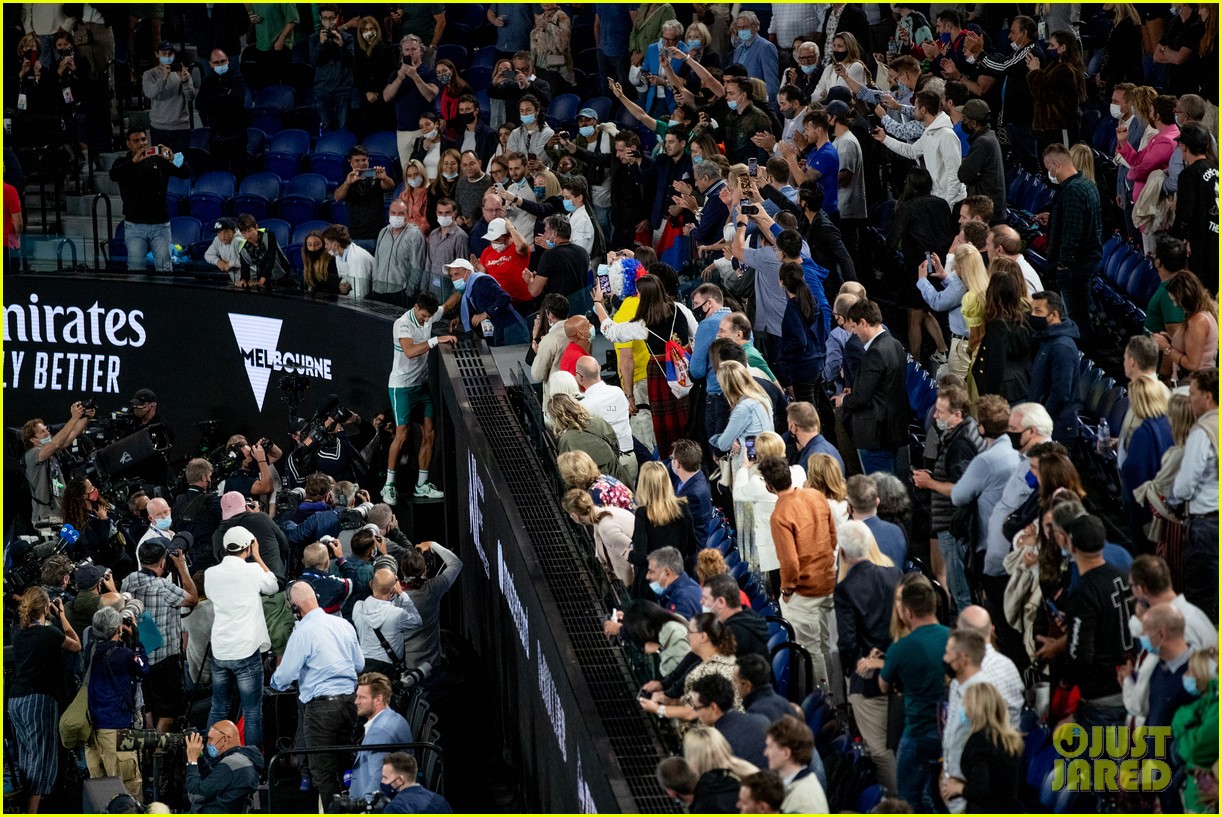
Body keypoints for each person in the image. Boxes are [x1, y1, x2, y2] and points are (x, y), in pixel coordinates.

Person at [271, 581, 364, 803]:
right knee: (346, 763)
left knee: (323, 771)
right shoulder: (343, 624)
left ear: (294, 607)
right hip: (350, 703)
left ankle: (333, 811)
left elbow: (284, 677)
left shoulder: (302, 633)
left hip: (321, 710)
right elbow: (359, 664)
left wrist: (274, 681)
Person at [834, 520, 902, 795]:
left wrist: (851, 670)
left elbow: (847, 641)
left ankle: (898, 805)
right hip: (898, 672)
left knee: (879, 750)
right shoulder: (894, 573)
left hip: (868, 678)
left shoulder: (846, 588)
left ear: (842, 552)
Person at [762, 456, 836, 687]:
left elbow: (790, 563)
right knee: (828, 643)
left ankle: (825, 700)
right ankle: (837, 695)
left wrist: (786, 590)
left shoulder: (779, 515)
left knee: (811, 649)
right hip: (828, 581)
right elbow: (833, 537)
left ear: (768, 486)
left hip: (804, 592)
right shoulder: (815, 496)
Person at [879, 577, 950, 810]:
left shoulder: (900, 648)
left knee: (909, 801)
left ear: (908, 612)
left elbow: (883, 685)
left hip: (916, 734)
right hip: (949, 734)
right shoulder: (954, 639)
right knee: (943, 800)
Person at [205, 526, 278, 749]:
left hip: (221, 649)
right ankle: (251, 761)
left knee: (218, 707)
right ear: (248, 547)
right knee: (252, 712)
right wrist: (258, 557)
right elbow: (273, 586)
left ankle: (211, 756)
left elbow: (212, 596)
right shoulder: (253, 570)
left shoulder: (210, 573)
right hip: (246, 649)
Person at [913, 385, 983, 615]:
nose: (935, 415)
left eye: (940, 411)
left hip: (954, 526)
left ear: (957, 414)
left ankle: (965, 630)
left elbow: (961, 489)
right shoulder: (963, 433)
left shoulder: (961, 444)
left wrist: (930, 483)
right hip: (956, 523)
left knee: (960, 592)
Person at [10, 588, 80, 813]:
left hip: (15, 700)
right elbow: (76, 644)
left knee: (27, 756)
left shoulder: (17, 634)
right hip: (38, 701)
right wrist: (62, 615)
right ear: (46, 607)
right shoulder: (48, 633)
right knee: (42, 760)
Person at [382, 294, 455, 505]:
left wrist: (467, 282)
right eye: (423, 316)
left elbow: (448, 305)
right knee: (402, 434)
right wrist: (436, 340)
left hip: (421, 387)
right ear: (416, 307)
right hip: (401, 387)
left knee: (430, 432)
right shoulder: (402, 324)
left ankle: (422, 485)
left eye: (428, 317)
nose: (426, 320)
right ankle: (388, 485)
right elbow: (410, 351)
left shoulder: (429, 315)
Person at [121, 537, 198, 733]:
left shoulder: (128, 580)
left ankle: (147, 743)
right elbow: (192, 599)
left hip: (138, 657)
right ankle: (158, 749)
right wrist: (181, 567)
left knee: (148, 707)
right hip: (163, 661)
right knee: (168, 713)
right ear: (163, 562)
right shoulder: (162, 586)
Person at [832, 299, 908, 474]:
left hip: (875, 435)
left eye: (854, 327)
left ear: (863, 322)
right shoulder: (895, 344)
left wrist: (843, 400)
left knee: (878, 488)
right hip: (893, 430)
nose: (854, 333)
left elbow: (861, 398)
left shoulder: (874, 352)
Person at [1167, 368, 1219, 620]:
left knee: (1202, 600)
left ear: (1208, 396)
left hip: (1207, 527)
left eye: (1193, 393)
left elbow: (1184, 486)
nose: (1190, 399)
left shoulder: (1202, 432)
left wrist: (1171, 499)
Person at [85, 606, 150, 801]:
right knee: (127, 789)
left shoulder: (90, 649)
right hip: (115, 730)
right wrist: (136, 641)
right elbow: (143, 668)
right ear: (117, 629)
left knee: (101, 794)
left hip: (92, 730)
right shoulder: (123, 655)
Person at [109, 126, 191, 272]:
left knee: (165, 269)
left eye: (143, 139)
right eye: (136, 141)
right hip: (135, 226)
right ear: (128, 144)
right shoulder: (122, 162)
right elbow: (113, 175)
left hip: (160, 225)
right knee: (136, 269)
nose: (141, 143)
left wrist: (174, 159)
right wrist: (134, 162)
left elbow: (186, 173)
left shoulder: (159, 160)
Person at [1042, 142, 1102, 331]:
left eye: (1048, 169)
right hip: (1084, 262)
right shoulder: (1087, 185)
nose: (1049, 173)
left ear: (1056, 165)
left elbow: (1072, 233)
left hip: (1075, 268)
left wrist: (1063, 264)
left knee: (1077, 319)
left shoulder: (1072, 191)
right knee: (1080, 316)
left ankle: (1083, 349)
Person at [939, 683, 1024, 811]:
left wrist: (959, 788)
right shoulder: (1010, 738)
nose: (964, 710)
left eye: (966, 705)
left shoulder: (979, 741)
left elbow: (982, 791)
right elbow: (998, 784)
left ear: (975, 709)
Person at [22, 402, 92, 526]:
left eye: (46, 429)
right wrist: (74, 417)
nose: (47, 433)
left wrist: (86, 417)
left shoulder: (50, 452)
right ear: (33, 439)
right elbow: (55, 444)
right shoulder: (32, 455)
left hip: (59, 515)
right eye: (42, 432)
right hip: (45, 518)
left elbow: (74, 433)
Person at [401, 540, 463, 672]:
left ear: (402, 570)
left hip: (405, 667)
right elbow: (456, 563)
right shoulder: (433, 589)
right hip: (433, 666)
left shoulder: (394, 597)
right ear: (425, 569)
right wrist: (432, 544)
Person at [1027, 291, 1082, 442]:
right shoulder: (1047, 339)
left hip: (1057, 429)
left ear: (1054, 315)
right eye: (1032, 310)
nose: (1033, 315)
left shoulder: (1062, 347)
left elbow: (1061, 393)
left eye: (1038, 311)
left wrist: (1041, 420)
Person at [350, 673, 413, 800]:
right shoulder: (395, 718)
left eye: (362, 697)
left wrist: (367, 807)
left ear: (378, 699)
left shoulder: (380, 733)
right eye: (357, 696)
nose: (356, 702)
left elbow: (378, 783)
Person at [971, 273, 1032, 404]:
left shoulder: (998, 326)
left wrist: (988, 398)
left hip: (1004, 394)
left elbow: (995, 366)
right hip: (1022, 388)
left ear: (992, 294)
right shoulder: (1023, 320)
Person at [383, 34, 439, 175]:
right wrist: (400, 78)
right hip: (402, 131)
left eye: (414, 49)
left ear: (421, 51)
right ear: (402, 52)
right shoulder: (396, 74)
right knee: (408, 173)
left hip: (424, 131)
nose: (410, 53)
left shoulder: (429, 72)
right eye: (407, 50)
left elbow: (430, 95)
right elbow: (386, 97)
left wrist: (415, 76)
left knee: (429, 171)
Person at [1173, 124, 1219, 291]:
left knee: (1202, 294)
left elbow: (1186, 213)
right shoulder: (1216, 169)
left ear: (1184, 146)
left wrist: (1177, 238)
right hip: (1216, 240)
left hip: (1202, 247)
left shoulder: (1189, 174)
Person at [183, 720, 264, 813]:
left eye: (210, 739)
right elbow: (215, 780)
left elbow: (195, 796)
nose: (208, 743)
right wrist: (200, 757)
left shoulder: (231, 764)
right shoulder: (244, 758)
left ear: (224, 739)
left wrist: (192, 761)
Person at [1155, 271, 1219, 381]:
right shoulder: (1201, 315)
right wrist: (1171, 341)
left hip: (1195, 384)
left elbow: (1193, 365)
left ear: (1185, 298)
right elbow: (1193, 345)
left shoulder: (1197, 321)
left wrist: (1166, 348)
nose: (1175, 305)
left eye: (1175, 300)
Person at [195, 50, 248, 177]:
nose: (220, 64)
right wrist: (225, 98)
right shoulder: (207, 81)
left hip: (237, 135)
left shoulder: (238, 78)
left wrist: (213, 100)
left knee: (239, 173)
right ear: (211, 64)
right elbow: (199, 104)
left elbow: (237, 100)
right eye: (216, 62)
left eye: (223, 61)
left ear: (228, 61)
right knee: (219, 175)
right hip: (216, 137)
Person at [763, 716, 829, 812]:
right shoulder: (798, 783)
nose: (765, 753)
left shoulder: (802, 802)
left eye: (769, 747)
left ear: (786, 753)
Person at [142, 42, 195, 155]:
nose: (167, 56)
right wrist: (163, 78)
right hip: (160, 128)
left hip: (181, 128)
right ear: (157, 54)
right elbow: (150, 93)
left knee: (179, 163)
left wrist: (185, 81)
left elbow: (191, 96)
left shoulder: (182, 72)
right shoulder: (149, 74)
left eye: (170, 54)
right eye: (164, 53)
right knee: (162, 163)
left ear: (174, 55)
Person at [670, 438, 712, 543]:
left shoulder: (693, 495)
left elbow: (678, 524)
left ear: (677, 464)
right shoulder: (687, 479)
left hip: (689, 548)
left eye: (672, 458)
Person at [381, 751, 452, 812]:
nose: (382, 781)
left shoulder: (395, 808)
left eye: (385, 778)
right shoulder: (440, 801)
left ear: (400, 780)